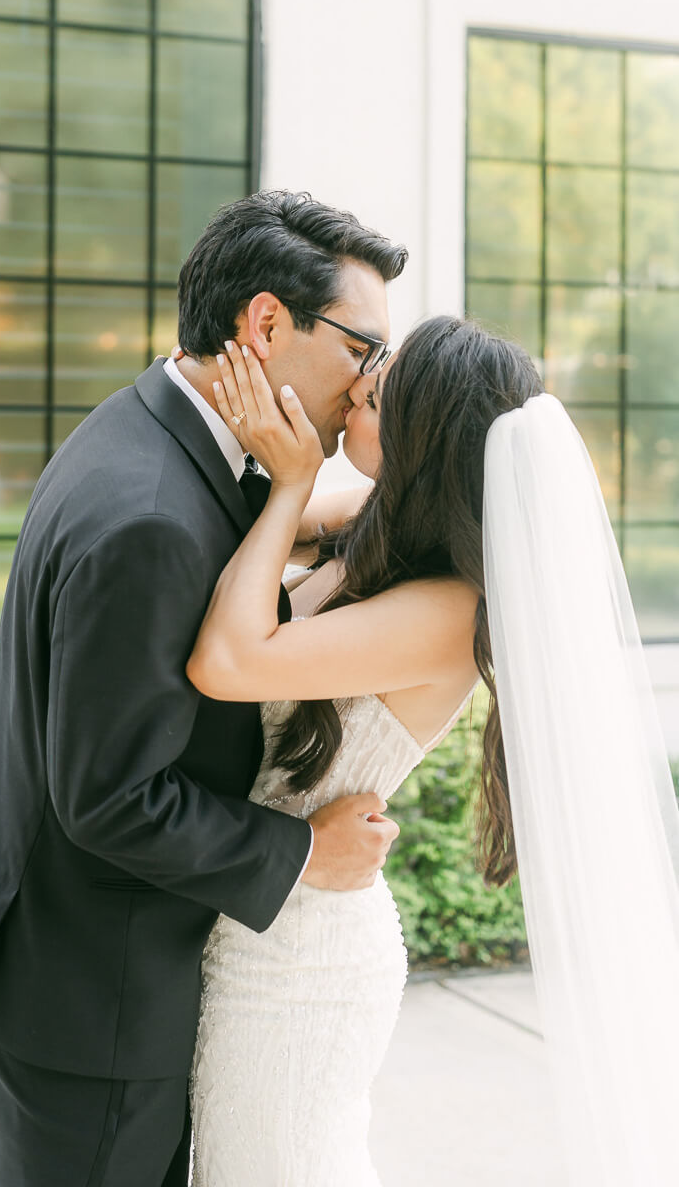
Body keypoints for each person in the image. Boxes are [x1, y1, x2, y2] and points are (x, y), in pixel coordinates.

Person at [0, 190, 407, 1187]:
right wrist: (307, 851)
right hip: (96, 988)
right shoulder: (151, 522)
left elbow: (212, 544)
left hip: (54, 935)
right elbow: (111, 798)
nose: (368, 382)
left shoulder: (157, 428)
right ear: (265, 324)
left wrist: (314, 509)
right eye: (362, 349)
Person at [186, 320, 679, 1186]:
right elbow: (225, 536)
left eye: (374, 396)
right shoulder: (378, 528)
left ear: (422, 437)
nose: (352, 394)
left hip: (301, 966)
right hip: (257, 916)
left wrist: (293, 478)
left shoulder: (448, 608)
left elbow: (228, 662)